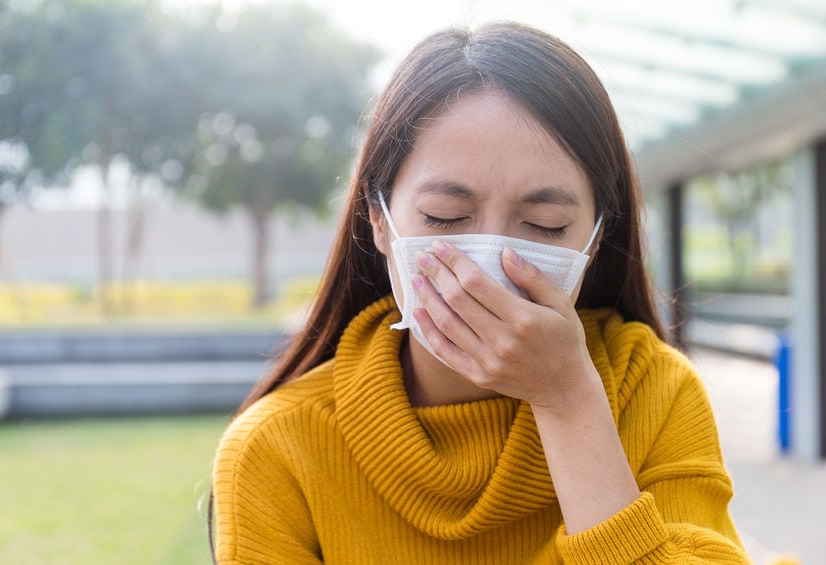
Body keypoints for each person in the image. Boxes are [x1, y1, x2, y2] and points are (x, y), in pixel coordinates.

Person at [212, 21, 751, 564]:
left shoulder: (655, 393)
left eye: (544, 225)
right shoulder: (277, 447)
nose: (488, 265)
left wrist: (568, 401)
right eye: (445, 216)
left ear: (595, 237)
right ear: (378, 218)